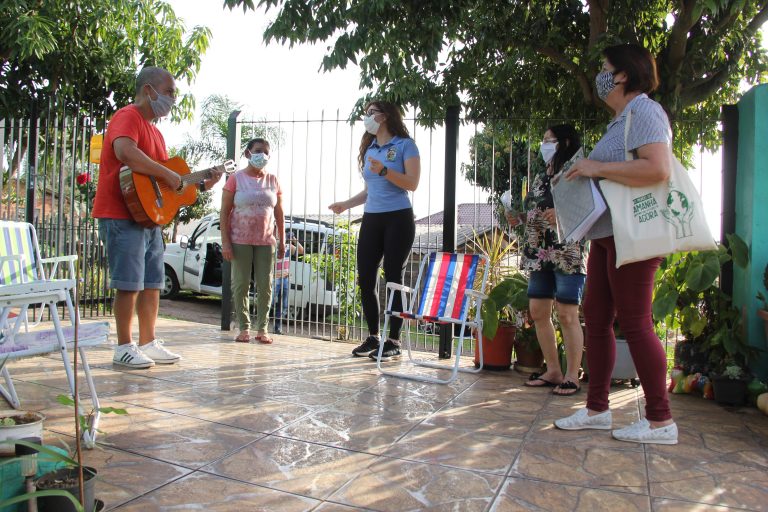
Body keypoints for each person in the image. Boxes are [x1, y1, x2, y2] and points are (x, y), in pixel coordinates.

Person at [554, 44, 678, 444]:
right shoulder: (620, 120)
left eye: (606, 68)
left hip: (631, 236)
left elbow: (658, 168)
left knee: (636, 323)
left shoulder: (644, 111)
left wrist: (596, 166)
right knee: (596, 318)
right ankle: (597, 410)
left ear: (623, 74)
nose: (601, 76)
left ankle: (660, 420)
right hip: (607, 236)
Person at [93, 66, 224, 369]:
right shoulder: (128, 116)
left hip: (148, 218)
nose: (173, 99)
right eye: (169, 92)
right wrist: (167, 173)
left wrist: (203, 183)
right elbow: (126, 152)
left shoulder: (156, 133)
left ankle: (148, 341)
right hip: (120, 214)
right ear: (148, 90)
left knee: (152, 282)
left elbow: (167, 185)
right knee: (129, 283)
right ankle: (123, 346)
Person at [328, 101, 420, 360]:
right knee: (366, 279)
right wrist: (346, 204)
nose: (367, 117)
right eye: (365, 113)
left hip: (398, 218)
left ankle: (394, 341)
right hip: (372, 218)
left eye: (372, 113)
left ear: (386, 115)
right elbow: (370, 191)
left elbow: (412, 183)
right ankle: (373, 337)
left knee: (393, 277)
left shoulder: (405, 145)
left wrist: (385, 170)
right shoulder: (371, 148)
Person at [507, 124, 586, 396]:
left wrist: (561, 214)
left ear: (565, 142)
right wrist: (518, 217)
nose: (544, 145)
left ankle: (572, 376)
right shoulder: (543, 176)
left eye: (548, 140)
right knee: (539, 311)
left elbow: (589, 208)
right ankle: (553, 371)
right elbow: (535, 210)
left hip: (567, 253)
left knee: (567, 314)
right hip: (539, 254)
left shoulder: (576, 172)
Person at [221, 138, 285, 344]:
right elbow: (224, 212)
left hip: (266, 241)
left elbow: (279, 213)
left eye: (266, 151)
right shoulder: (236, 178)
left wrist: (282, 240)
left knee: (265, 286)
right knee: (240, 285)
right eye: (258, 151)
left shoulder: (273, 180)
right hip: (239, 239)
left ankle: (263, 329)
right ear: (248, 153)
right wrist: (225, 242)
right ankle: (244, 328)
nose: (262, 155)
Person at [272, 234, 304, 334]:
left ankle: (277, 328)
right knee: (269, 302)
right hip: (274, 278)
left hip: (285, 278)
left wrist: (294, 240)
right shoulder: (273, 245)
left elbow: (301, 251)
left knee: (283, 305)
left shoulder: (289, 247)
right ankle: (262, 326)